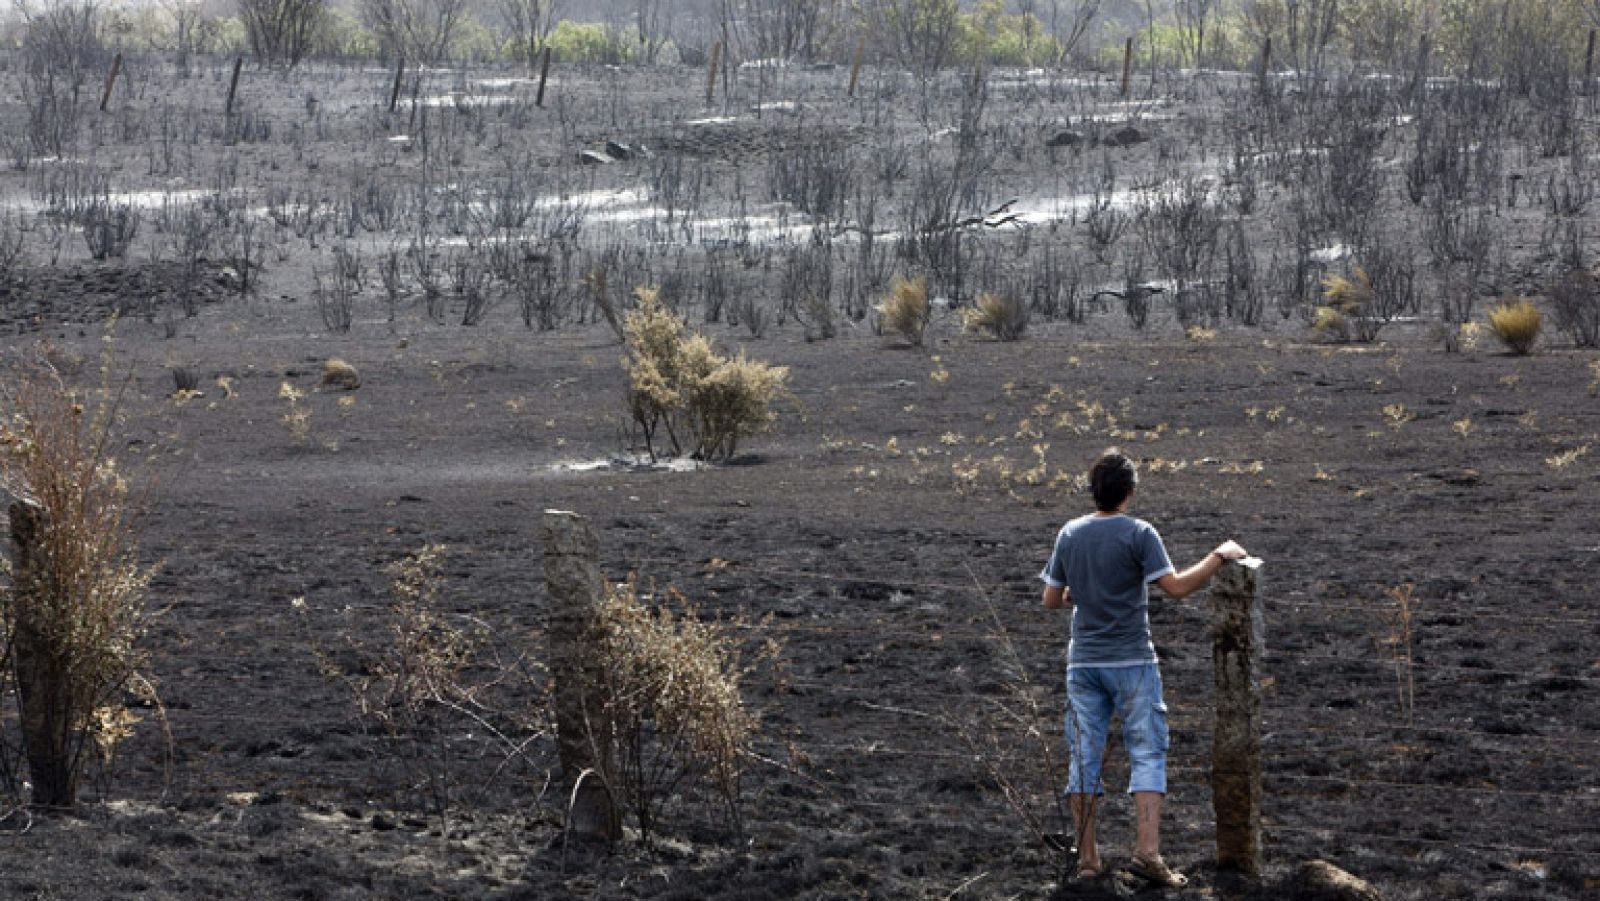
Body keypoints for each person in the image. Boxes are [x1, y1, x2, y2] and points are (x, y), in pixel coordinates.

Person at [1039, 448, 1247, 886]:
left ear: (1093, 490)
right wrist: (1217, 557)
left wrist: (1084, 594)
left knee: (1084, 757)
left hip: (1084, 663)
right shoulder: (1139, 533)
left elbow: (1051, 599)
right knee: (1148, 752)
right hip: (1133, 660)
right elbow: (1174, 588)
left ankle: (1088, 861)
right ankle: (1147, 853)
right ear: (1131, 492)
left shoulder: (1070, 534)